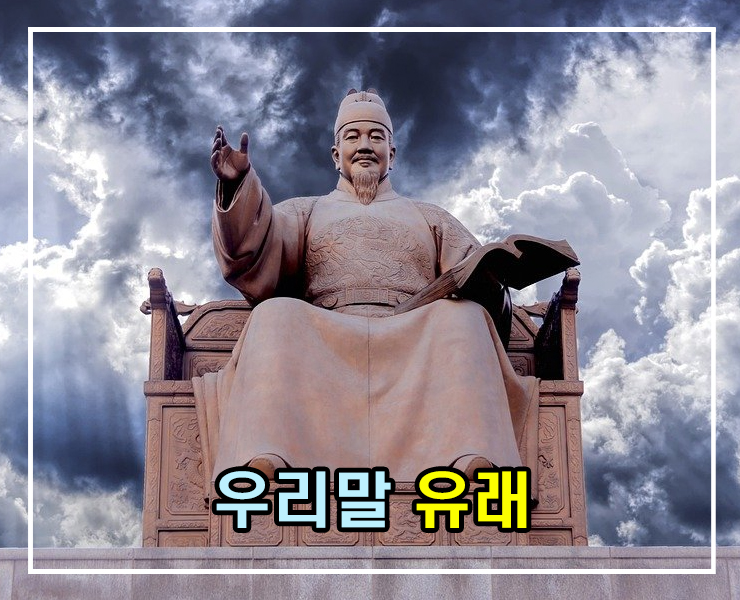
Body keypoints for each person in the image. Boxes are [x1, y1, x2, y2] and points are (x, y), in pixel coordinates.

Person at [192, 90, 539, 488]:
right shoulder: (305, 211)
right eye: (353, 137)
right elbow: (252, 252)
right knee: (273, 314)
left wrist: (492, 282)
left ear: (392, 152)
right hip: (327, 333)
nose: (364, 146)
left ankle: (472, 455)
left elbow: (478, 279)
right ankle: (268, 455)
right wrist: (237, 185)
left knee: (463, 317)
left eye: (376, 137)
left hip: (413, 335)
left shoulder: (431, 217)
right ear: (335, 154)